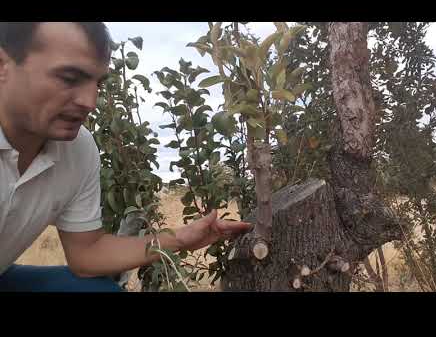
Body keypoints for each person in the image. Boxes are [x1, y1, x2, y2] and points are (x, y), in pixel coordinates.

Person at [0, 22, 252, 292]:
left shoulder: (78, 149)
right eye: (69, 78)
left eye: (97, 82)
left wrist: (181, 238)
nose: (90, 102)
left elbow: (87, 253)